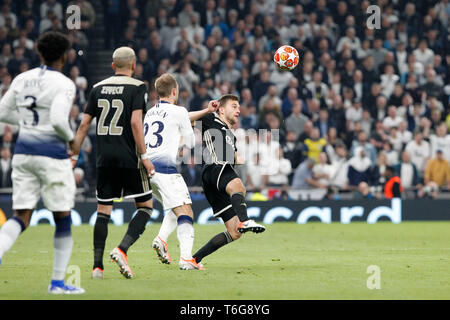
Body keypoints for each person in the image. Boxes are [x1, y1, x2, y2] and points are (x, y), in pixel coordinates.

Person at [0, 32, 84, 294]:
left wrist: (26, 124)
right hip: (52, 156)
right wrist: (72, 140)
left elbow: (2, 112)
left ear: (39, 54)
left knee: (21, 216)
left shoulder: (22, 78)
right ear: (64, 56)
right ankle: (57, 283)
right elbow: (60, 120)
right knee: (62, 217)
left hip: (23, 152)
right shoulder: (64, 83)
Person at [71, 47, 155, 280]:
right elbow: (136, 123)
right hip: (129, 158)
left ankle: (97, 267)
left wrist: (73, 155)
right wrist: (145, 156)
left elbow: (84, 125)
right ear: (134, 65)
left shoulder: (97, 88)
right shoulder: (138, 87)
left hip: (104, 159)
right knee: (146, 206)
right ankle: (122, 249)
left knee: (103, 212)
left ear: (112, 66)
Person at [144, 73, 215, 270]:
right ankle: (186, 259)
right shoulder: (179, 112)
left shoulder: (150, 112)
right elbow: (191, 142)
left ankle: (161, 239)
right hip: (166, 170)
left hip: (147, 170)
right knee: (186, 209)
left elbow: (182, 116)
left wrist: (205, 111)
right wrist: (183, 136)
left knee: (175, 208)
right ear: (175, 92)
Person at [189, 94, 266, 265]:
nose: (238, 110)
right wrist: (208, 109)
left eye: (239, 107)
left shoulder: (231, 136)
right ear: (222, 109)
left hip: (216, 177)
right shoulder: (210, 119)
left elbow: (235, 157)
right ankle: (245, 221)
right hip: (214, 167)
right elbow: (185, 119)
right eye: (234, 106)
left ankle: (193, 260)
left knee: (234, 232)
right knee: (239, 186)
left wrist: (240, 159)